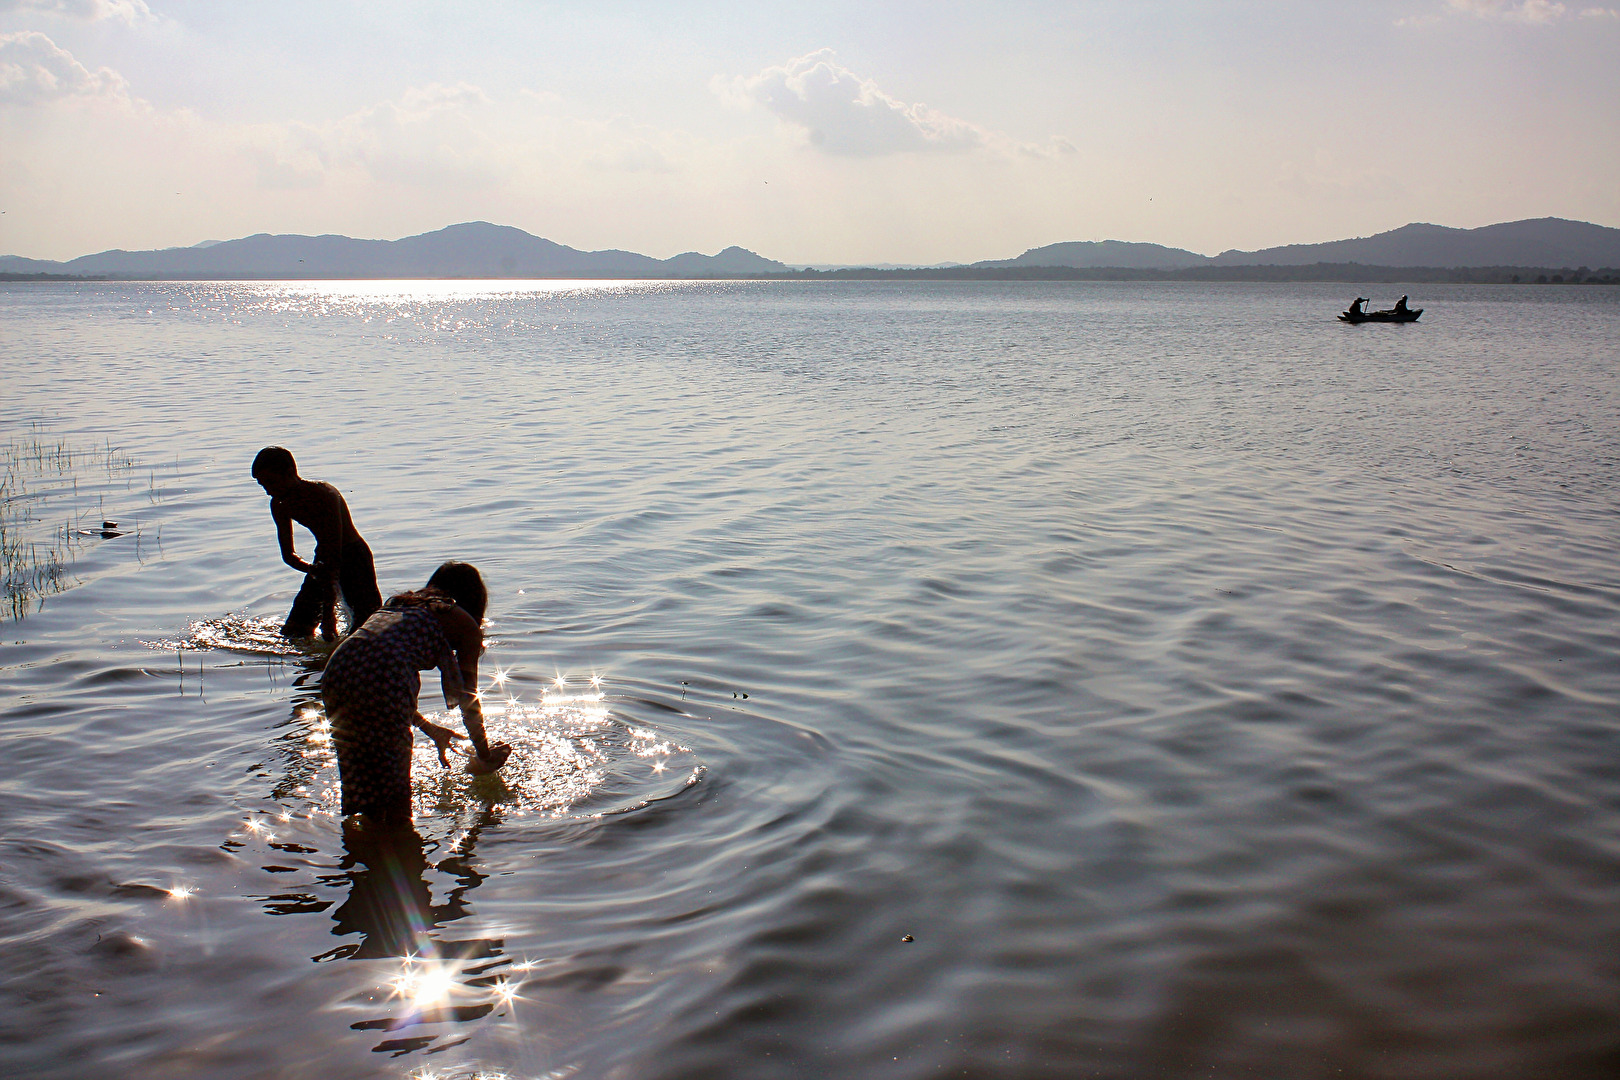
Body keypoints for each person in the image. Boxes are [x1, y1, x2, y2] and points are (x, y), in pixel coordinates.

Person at [320, 561, 512, 825]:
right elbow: (469, 697)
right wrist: (484, 754)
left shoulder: (400, 604)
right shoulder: (462, 623)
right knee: (396, 800)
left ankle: (364, 848)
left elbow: (377, 675)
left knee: (361, 777)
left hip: (337, 671)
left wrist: (430, 729)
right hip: (381, 677)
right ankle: (393, 843)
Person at [252, 447, 382, 641]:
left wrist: (329, 614)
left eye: (272, 482)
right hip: (322, 561)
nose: (268, 491)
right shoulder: (279, 504)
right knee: (295, 630)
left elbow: (334, 554)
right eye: (263, 485)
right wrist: (312, 571)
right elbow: (289, 556)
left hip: (354, 557)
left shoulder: (324, 495)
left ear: (290, 473)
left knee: (368, 626)